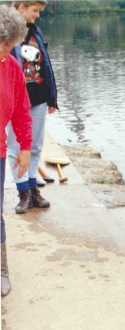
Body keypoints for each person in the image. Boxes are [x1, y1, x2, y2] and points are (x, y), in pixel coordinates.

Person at [7, 0, 58, 214]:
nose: (37, 15)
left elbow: (45, 63)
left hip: (38, 98)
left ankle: (33, 189)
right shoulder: (7, 33)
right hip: (15, 101)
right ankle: (23, 192)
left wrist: (52, 96)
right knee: (16, 147)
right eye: (34, 10)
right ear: (20, 7)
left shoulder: (36, 31)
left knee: (35, 146)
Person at [0, 4, 33, 297]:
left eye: (12, 44)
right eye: (6, 44)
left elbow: (22, 110)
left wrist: (25, 147)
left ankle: (2, 269)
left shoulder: (11, 67)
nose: (9, 49)